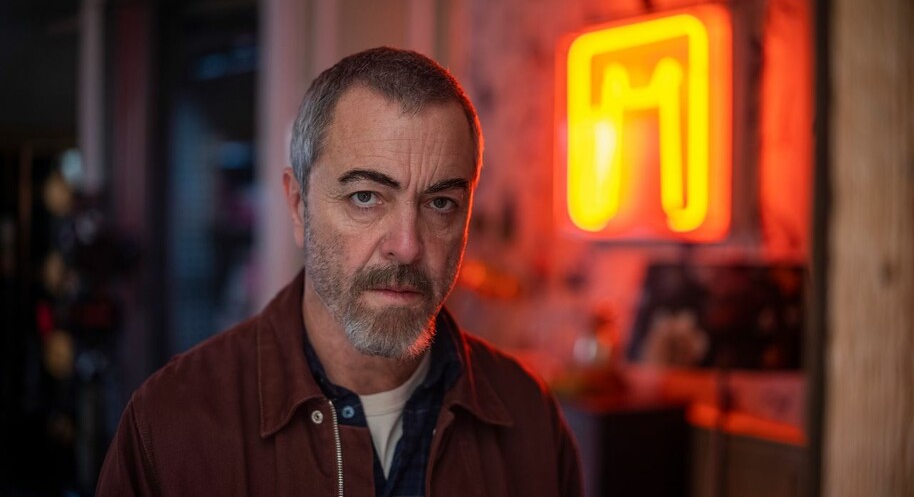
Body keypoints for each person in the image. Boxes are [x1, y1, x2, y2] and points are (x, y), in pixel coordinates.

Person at [97, 46, 582, 496]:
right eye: (366, 197)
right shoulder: (170, 427)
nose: (407, 247)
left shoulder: (530, 418)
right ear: (297, 206)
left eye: (440, 203)